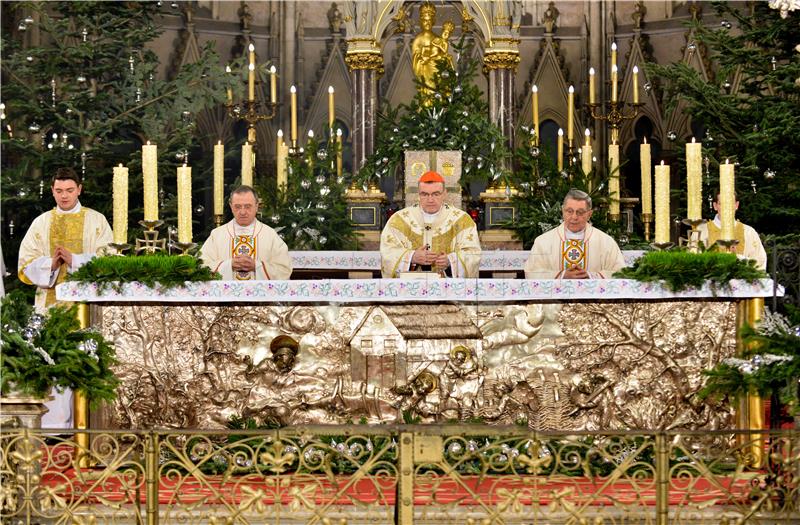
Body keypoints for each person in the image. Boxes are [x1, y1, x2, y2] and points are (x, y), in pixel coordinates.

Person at [17, 167, 112, 428]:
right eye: (59, 191)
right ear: (52, 191)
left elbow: (110, 260)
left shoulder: (96, 221)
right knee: (51, 361)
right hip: (50, 307)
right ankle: (53, 427)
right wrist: (51, 264)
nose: (64, 196)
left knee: (83, 363)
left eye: (69, 190)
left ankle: (86, 426)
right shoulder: (42, 223)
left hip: (86, 308)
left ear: (79, 189)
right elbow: (24, 265)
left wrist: (76, 261)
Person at [380, 171, 481, 278]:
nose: (430, 200)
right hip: (411, 287)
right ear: (418, 194)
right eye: (425, 194)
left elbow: (473, 254)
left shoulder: (461, 220)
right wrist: (412, 257)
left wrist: (450, 261)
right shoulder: (399, 220)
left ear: (444, 194)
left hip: (448, 290)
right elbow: (388, 253)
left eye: (436, 194)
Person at [524, 189, 625, 279]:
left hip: (592, 299)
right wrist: (562, 275)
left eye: (580, 212)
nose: (574, 217)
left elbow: (621, 272)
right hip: (555, 299)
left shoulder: (606, 242)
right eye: (569, 211)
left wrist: (591, 276)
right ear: (563, 211)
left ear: (589, 214)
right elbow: (531, 272)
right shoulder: (543, 241)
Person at [201, 185, 292, 280]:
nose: (243, 212)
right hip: (227, 294)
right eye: (237, 207)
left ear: (257, 206)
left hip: (260, 294)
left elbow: (284, 270)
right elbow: (202, 266)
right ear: (231, 206)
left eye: (248, 206)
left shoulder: (270, 235)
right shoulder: (217, 235)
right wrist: (229, 265)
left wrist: (257, 266)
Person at [697, 192, 767, 270]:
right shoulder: (701, 232)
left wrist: (738, 258)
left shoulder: (749, 232)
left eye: (730, 203)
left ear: (736, 205)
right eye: (722, 204)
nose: (727, 208)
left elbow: (760, 263)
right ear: (715, 206)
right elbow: (693, 262)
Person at [411, 2, 449, 103]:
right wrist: (423, 58)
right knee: (427, 92)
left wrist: (441, 57)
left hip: (436, 71)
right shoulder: (418, 40)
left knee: (438, 90)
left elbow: (443, 54)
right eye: (425, 21)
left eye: (429, 20)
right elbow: (415, 57)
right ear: (420, 21)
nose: (427, 23)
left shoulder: (437, 38)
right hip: (424, 71)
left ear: (433, 21)